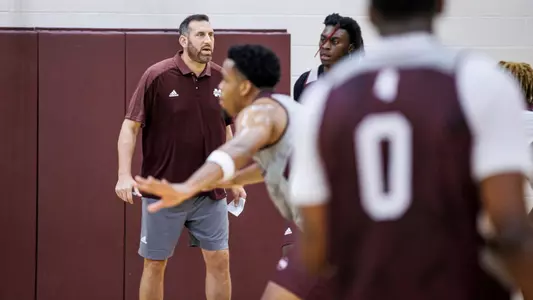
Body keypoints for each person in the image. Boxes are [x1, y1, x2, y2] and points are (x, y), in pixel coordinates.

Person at [288, 0, 533, 299]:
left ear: (372, 14)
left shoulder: (324, 98)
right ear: (441, 7)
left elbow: (316, 246)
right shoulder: (483, 82)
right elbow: (510, 229)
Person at [134, 44, 332, 300]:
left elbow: (236, 149)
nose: (219, 88)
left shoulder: (258, 114)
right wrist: (232, 180)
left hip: (338, 226)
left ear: (245, 87)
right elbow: (272, 167)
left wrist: (188, 187)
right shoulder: (278, 106)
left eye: (226, 81)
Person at [114, 14, 245, 300]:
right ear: (183, 40)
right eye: (200, 35)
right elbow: (130, 126)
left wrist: (233, 177)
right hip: (164, 191)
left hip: (209, 192)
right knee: (155, 264)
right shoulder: (157, 76)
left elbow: (226, 130)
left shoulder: (223, 78)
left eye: (211, 35)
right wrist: (124, 174)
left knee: (220, 261)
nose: (208, 41)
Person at [292, 13, 364, 102]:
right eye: (323, 39)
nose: (325, 46)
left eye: (334, 41)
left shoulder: (360, 83)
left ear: (350, 48)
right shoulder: (304, 81)